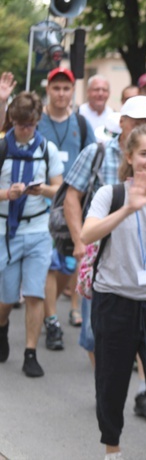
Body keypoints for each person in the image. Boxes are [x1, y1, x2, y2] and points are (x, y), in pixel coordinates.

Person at [81, 123, 146, 460]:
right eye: (144, 153)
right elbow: (87, 235)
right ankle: (112, 447)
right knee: (111, 385)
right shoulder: (109, 195)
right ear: (129, 156)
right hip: (114, 302)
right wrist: (128, 208)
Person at [65, 95, 146, 407]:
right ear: (122, 123)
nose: (143, 128)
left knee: (144, 329)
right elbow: (71, 197)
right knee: (96, 334)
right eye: (137, 122)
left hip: (141, 253)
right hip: (100, 252)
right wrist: (80, 240)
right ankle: (104, 385)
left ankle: (145, 390)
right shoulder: (98, 151)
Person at [0, 91, 64, 377]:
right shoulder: (2, 148)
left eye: (31, 124)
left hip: (38, 229)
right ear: (12, 120)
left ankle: (30, 352)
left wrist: (43, 190)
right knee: (7, 296)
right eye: (21, 124)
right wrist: (7, 194)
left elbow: (59, 188)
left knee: (35, 293)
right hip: (5, 230)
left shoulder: (46, 149)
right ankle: (2, 330)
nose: (26, 130)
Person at [37, 66, 96, 348]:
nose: (61, 93)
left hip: (72, 204)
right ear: (48, 89)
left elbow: (93, 159)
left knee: (68, 264)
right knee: (48, 264)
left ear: (73, 92)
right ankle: (51, 321)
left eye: (66, 88)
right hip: (38, 201)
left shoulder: (82, 124)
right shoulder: (36, 121)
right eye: (56, 88)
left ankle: (51, 308)